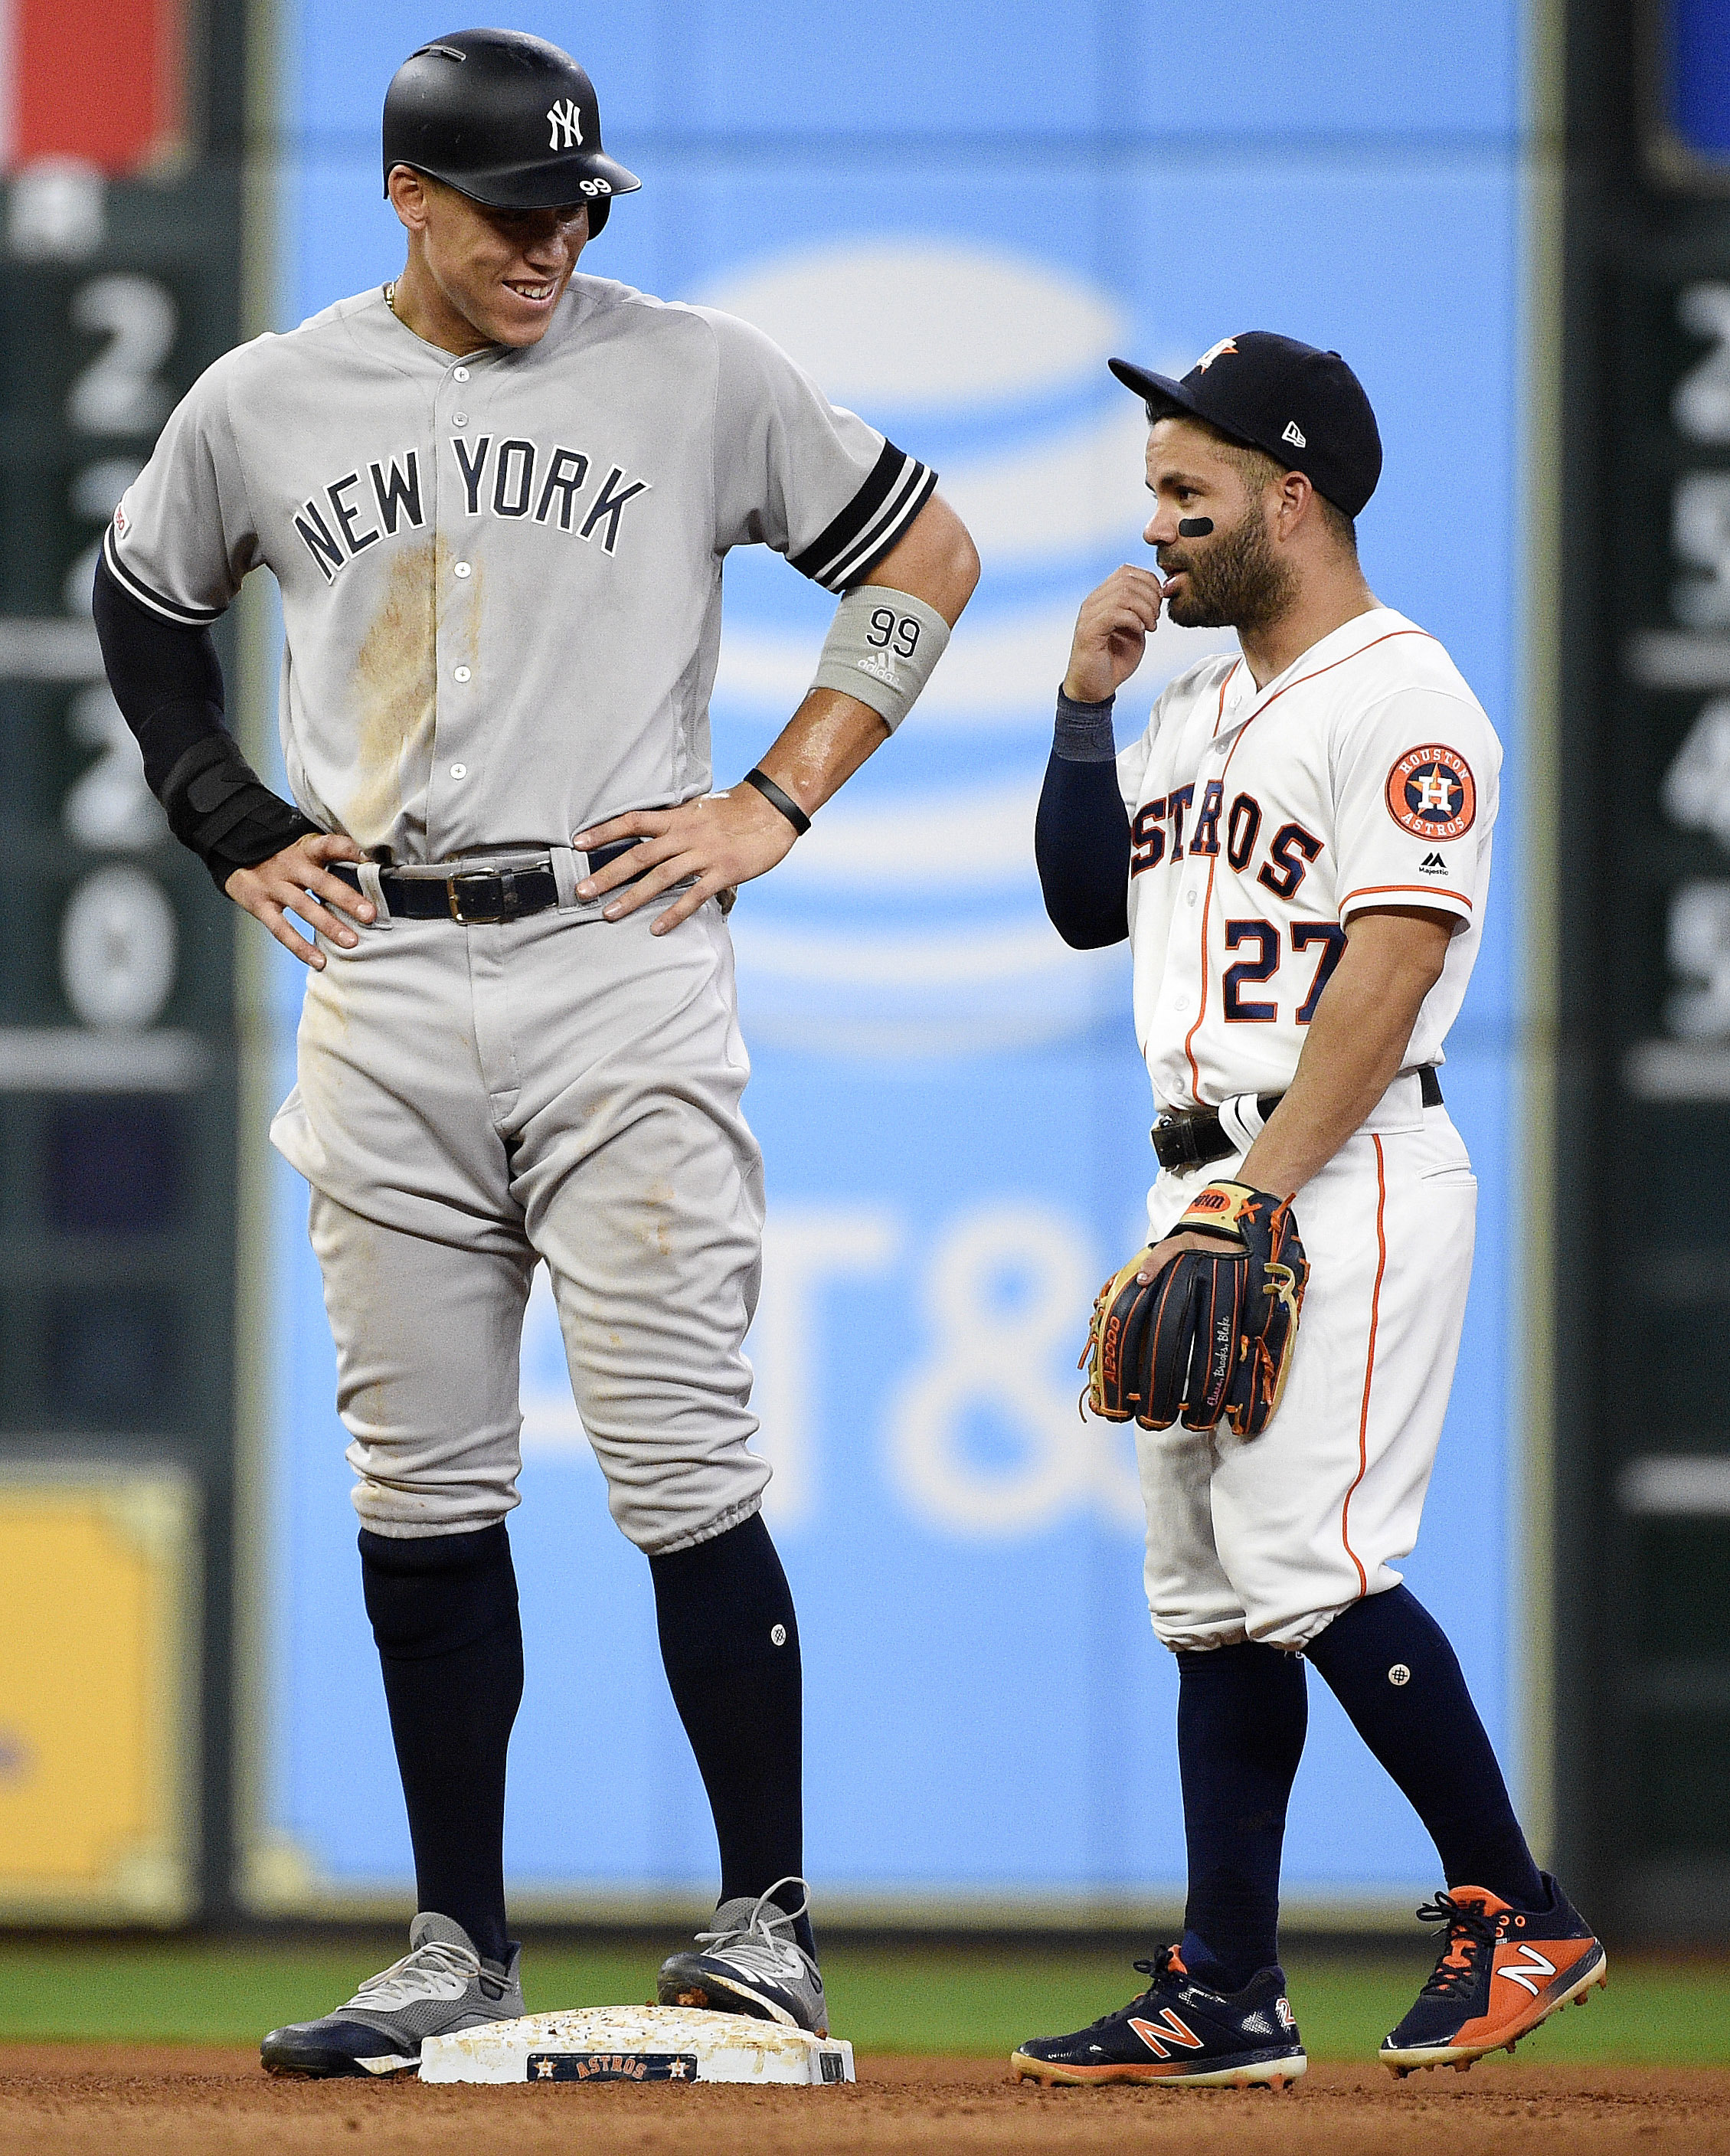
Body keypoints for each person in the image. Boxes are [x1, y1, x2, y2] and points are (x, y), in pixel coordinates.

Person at [91, 26, 976, 2077]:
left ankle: (765, 1924)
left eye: (579, 206)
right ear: (406, 195)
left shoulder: (697, 369)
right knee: (421, 1481)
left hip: (614, 946)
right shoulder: (268, 398)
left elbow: (922, 556)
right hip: (382, 967)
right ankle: (452, 1945)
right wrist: (225, 816)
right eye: (512, 208)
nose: (552, 241)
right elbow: (144, 600)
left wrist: (782, 793)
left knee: (678, 1462)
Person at [1011, 332, 1602, 2089]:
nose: (1160, 525)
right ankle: (1224, 1985)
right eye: (1153, 496)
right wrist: (1079, 708)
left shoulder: (1401, 694)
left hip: (1333, 1164)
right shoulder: (1194, 697)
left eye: (1188, 495)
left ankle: (1519, 1904)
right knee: (1207, 1600)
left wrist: (1254, 1198)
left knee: (1313, 1566)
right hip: (1207, 1172)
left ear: (1292, 493)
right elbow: (1077, 910)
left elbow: (1392, 959)